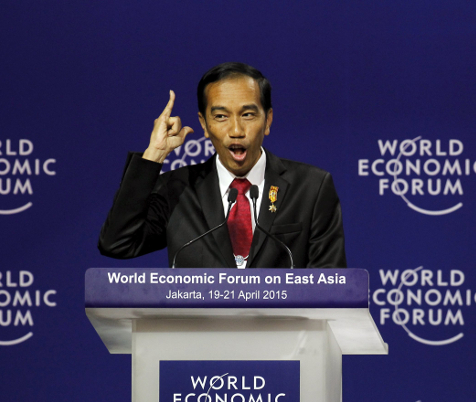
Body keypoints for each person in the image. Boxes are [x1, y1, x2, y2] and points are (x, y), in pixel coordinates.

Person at [98, 62, 346, 269]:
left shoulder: (311, 187)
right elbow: (118, 243)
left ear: (268, 120)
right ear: (204, 124)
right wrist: (154, 155)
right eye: (221, 116)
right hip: (201, 329)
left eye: (248, 115)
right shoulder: (177, 188)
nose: (236, 130)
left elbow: (331, 284)